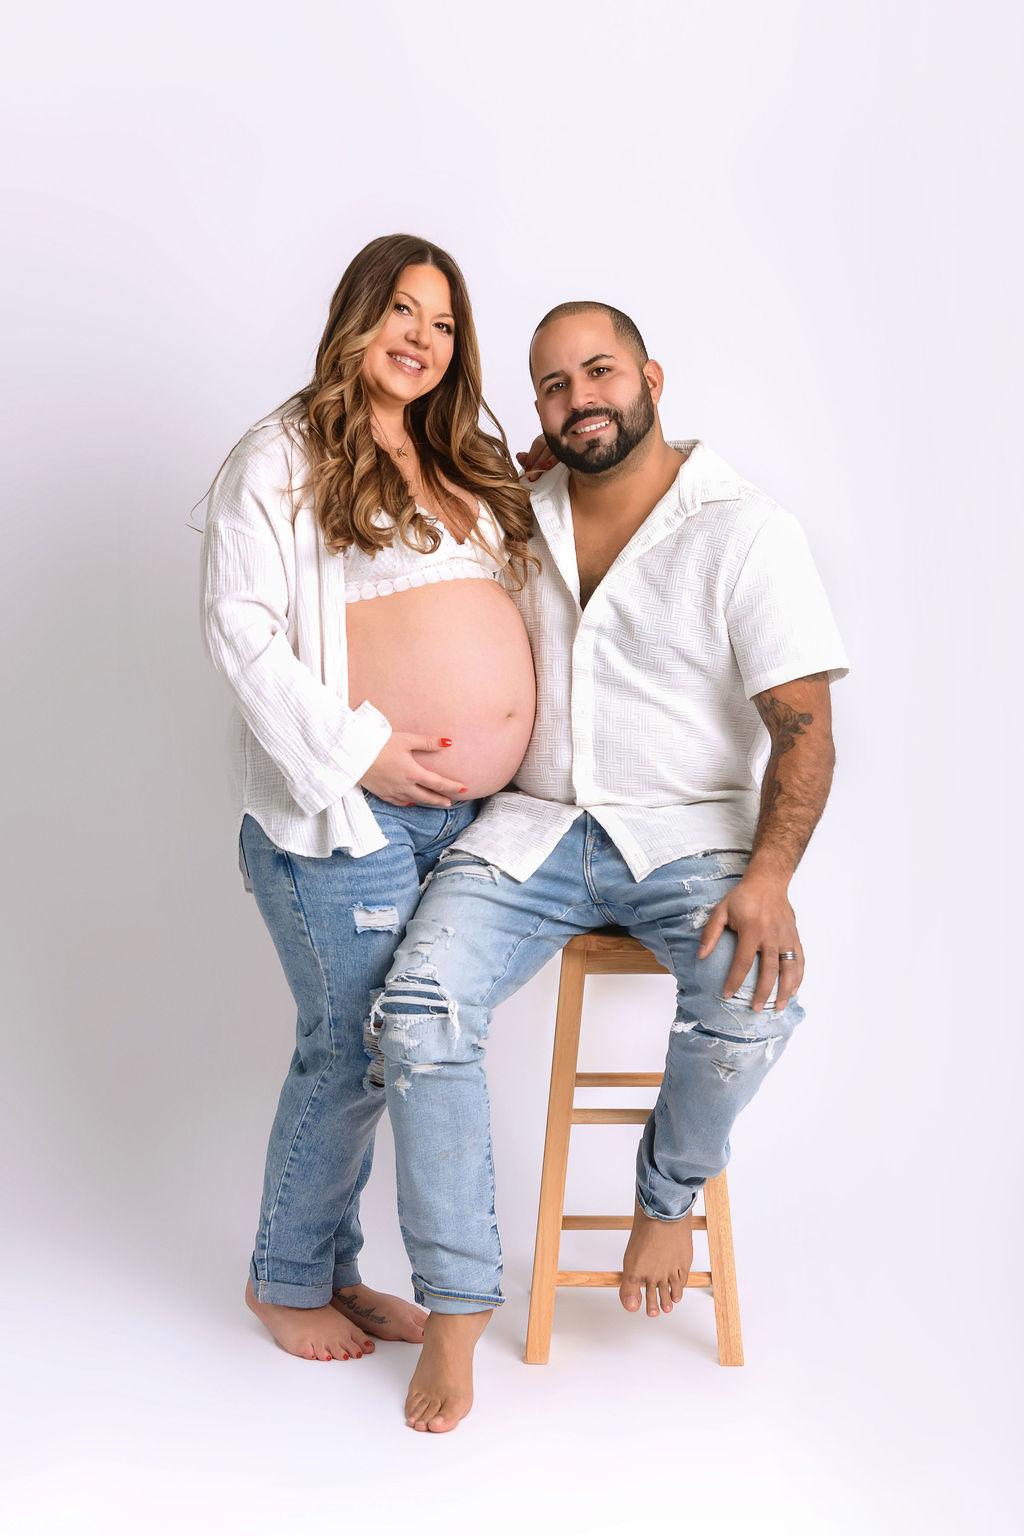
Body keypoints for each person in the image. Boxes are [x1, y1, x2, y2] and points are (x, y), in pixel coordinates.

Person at [375, 299, 849, 1432]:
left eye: (600, 372)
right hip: (529, 830)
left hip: (685, 839)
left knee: (753, 1003)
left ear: (652, 377)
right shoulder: (514, 517)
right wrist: (514, 473)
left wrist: (768, 878)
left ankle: (665, 1198)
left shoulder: (744, 530)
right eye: (553, 384)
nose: (579, 397)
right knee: (415, 1014)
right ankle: (456, 1309)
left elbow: (804, 733)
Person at [199, 234, 536, 1366]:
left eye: (443, 324)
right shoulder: (281, 454)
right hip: (345, 814)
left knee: (396, 1041)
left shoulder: (459, 461)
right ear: (357, 313)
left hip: (467, 822)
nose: (421, 338)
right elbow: (239, 630)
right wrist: (358, 755)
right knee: (351, 1045)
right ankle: (286, 1279)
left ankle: (336, 1272)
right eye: (402, 310)